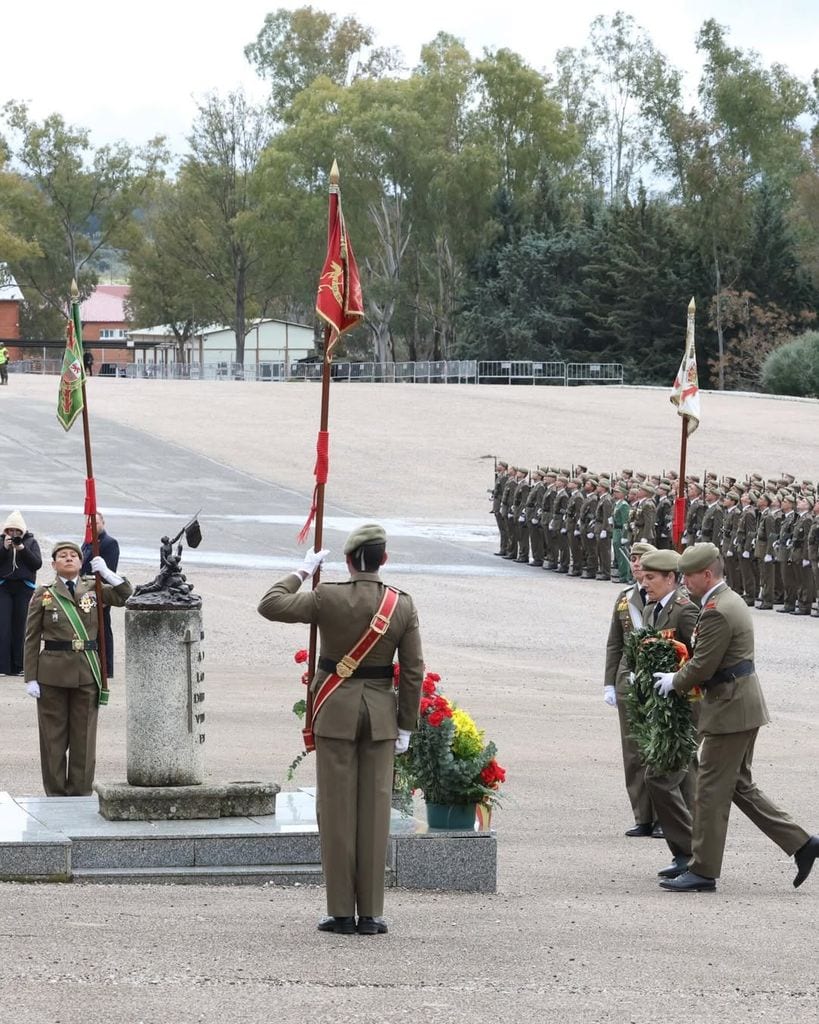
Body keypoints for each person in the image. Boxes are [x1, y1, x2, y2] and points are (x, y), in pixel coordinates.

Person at [258, 524, 424, 936]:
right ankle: (370, 913)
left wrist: (302, 570)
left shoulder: (327, 595)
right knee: (374, 812)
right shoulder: (401, 604)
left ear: (348, 561)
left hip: (336, 710)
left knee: (336, 811)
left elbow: (270, 604)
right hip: (381, 716)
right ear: (383, 559)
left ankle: (340, 913)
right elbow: (414, 671)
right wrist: (406, 724)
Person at [652, 542, 819, 892]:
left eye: (688, 576)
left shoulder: (716, 610)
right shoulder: (723, 600)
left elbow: (703, 665)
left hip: (730, 709)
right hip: (739, 704)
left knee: (711, 790)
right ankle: (803, 844)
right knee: (739, 785)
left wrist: (675, 681)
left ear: (707, 574)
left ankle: (702, 870)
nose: (685, 583)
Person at [23, 540, 133, 796]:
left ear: (81, 562)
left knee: (84, 738)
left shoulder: (94, 588)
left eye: (73, 555)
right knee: (53, 738)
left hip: (86, 672)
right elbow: (31, 637)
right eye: (63, 556)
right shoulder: (44, 592)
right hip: (51, 675)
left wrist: (106, 572)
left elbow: (126, 595)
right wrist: (31, 677)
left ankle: (81, 793)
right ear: (54, 564)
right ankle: (56, 793)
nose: (69, 558)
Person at [639, 548, 699, 880]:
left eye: (652, 578)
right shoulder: (652, 609)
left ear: (671, 579)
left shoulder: (685, 611)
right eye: (644, 577)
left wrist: (677, 683)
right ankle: (688, 856)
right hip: (663, 706)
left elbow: (700, 658)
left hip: (685, 707)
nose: (645, 584)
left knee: (659, 778)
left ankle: (689, 851)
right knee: (686, 782)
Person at [603, 541, 660, 838]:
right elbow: (615, 643)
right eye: (634, 559)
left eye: (641, 559)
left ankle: (667, 815)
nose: (636, 564)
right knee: (633, 751)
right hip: (629, 678)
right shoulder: (625, 597)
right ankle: (643, 815)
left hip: (657, 681)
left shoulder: (668, 598)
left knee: (659, 749)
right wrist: (609, 683)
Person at [0, 512, 43, 675]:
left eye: (17, 531)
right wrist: (4, 548)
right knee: (3, 626)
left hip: (24, 587)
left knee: (21, 626)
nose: (13, 534)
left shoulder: (31, 542)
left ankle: (19, 666)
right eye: (10, 531)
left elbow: (36, 564)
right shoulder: (1, 541)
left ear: (22, 531)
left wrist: (22, 549)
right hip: (3, 586)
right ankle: (3, 666)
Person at [81, 512, 120, 677]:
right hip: (85, 591)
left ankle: (107, 668)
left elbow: (109, 571)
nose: (93, 526)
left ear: (103, 522)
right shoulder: (87, 542)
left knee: (103, 629)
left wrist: (103, 596)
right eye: (90, 523)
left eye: (96, 523)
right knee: (90, 628)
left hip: (100, 591)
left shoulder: (109, 543)